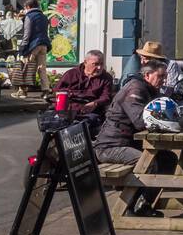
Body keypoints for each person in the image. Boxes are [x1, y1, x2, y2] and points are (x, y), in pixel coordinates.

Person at [94, 57, 173, 215]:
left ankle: (145, 204)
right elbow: (140, 121)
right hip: (110, 146)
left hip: (128, 143)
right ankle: (130, 206)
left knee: (168, 159)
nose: (163, 80)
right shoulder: (135, 89)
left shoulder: (150, 90)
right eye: (161, 76)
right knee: (147, 163)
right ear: (147, 75)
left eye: (165, 77)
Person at [52, 50, 115, 134]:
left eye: (101, 64)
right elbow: (58, 91)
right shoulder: (71, 74)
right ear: (85, 62)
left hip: (91, 111)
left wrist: (95, 103)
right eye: (95, 64)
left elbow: (106, 96)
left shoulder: (106, 78)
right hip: (69, 110)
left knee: (85, 124)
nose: (99, 67)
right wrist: (70, 95)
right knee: (51, 124)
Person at [15, 0, 52, 97]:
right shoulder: (44, 17)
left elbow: (27, 35)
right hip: (44, 44)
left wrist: (22, 49)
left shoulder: (29, 16)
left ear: (27, 7)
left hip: (33, 45)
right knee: (41, 68)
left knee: (25, 67)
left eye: (24, 8)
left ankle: (22, 91)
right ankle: (46, 91)